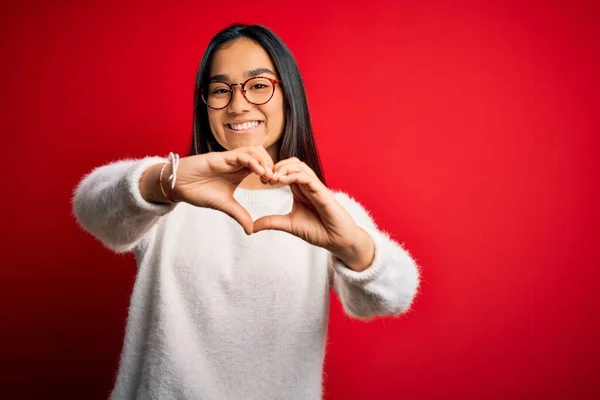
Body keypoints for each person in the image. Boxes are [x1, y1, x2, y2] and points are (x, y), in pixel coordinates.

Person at [72, 23, 420, 400]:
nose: (238, 105)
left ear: (289, 96)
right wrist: (165, 181)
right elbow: (90, 206)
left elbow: (395, 293)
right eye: (221, 90)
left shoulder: (322, 207)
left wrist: (351, 243)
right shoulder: (173, 186)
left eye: (258, 85)